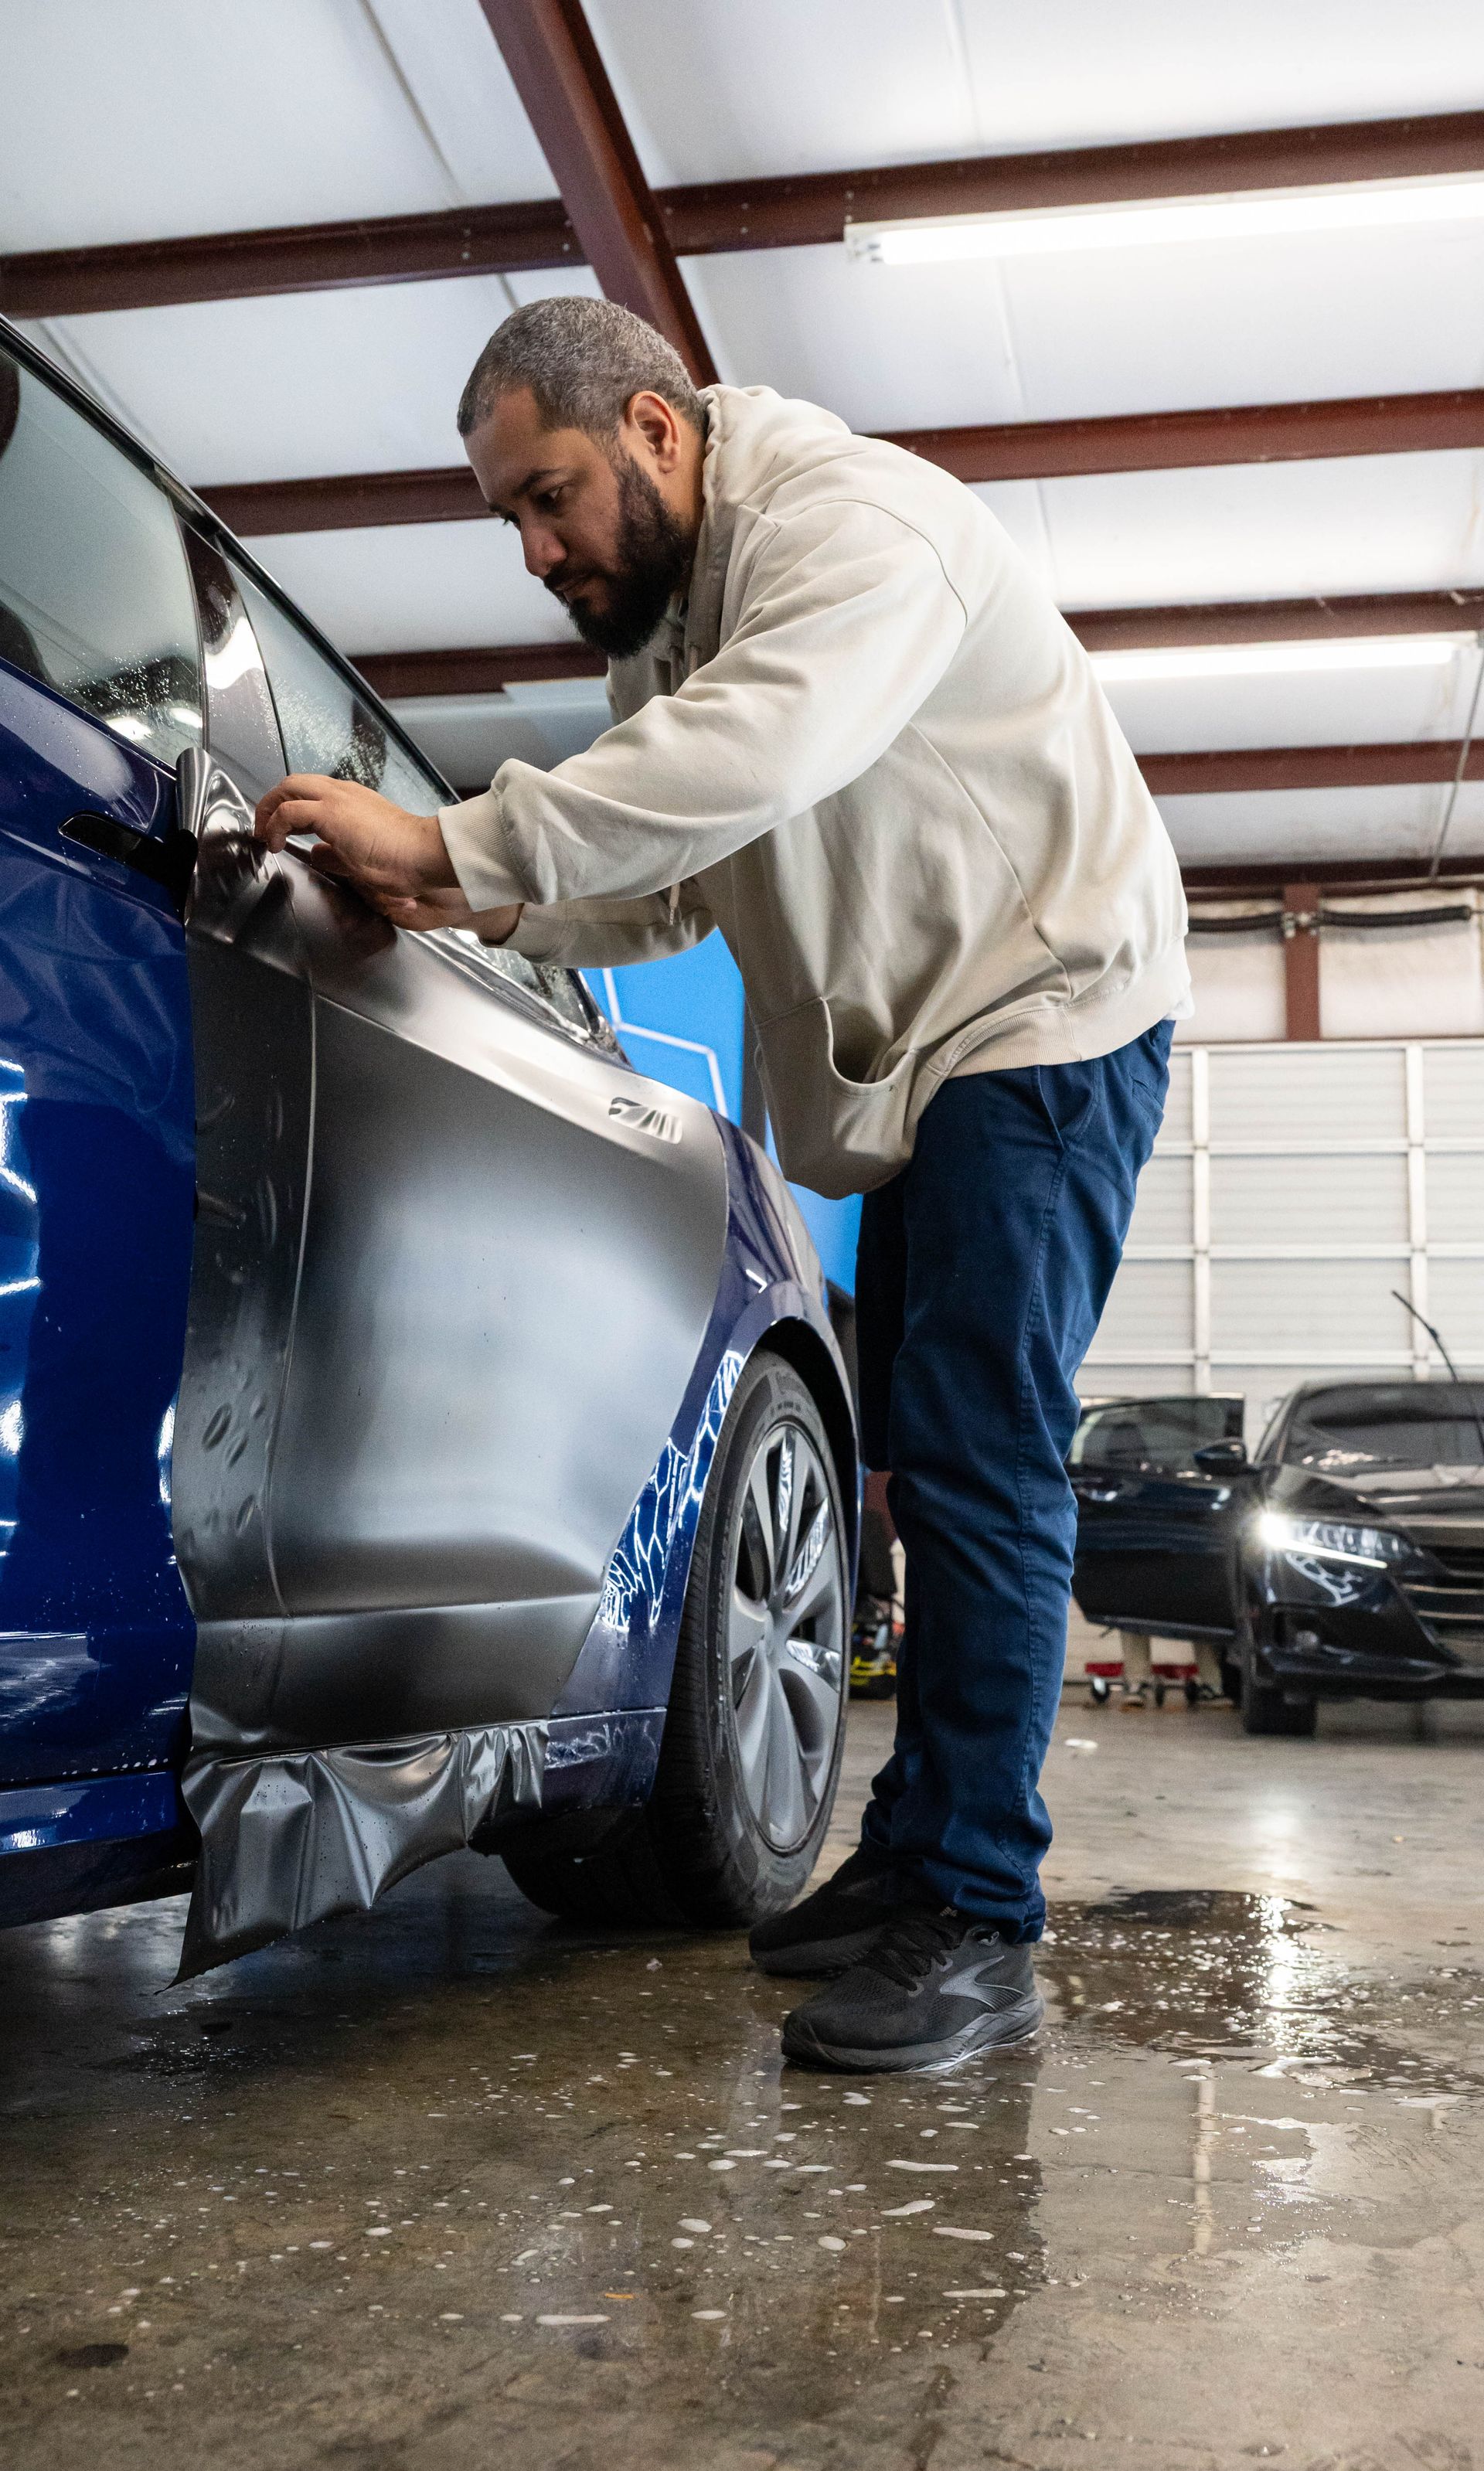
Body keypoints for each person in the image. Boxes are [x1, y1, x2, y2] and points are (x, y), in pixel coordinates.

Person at [254, 297, 1190, 2074]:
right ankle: (919, 1849)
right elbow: (680, 876)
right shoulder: (662, 635)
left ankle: (978, 1916)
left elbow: (747, 755)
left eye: (550, 497)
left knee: (983, 1454)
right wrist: (468, 905)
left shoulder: (854, 531)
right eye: (510, 520)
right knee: (920, 1459)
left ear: (660, 432)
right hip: (921, 1059)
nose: (537, 550)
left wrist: (453, 838)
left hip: (1049, 1011)